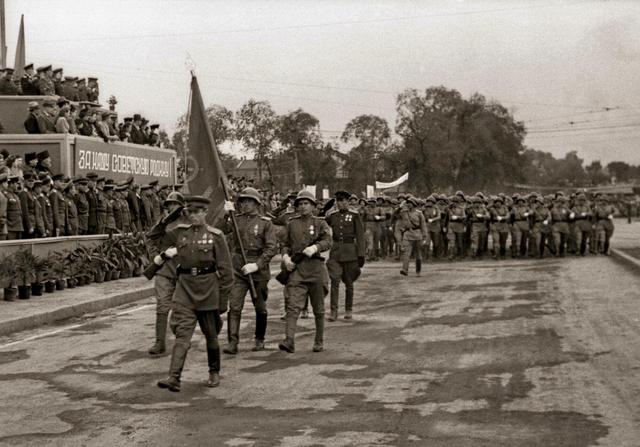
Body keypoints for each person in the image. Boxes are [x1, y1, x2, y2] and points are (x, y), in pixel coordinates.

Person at [148, 195, 234, 391]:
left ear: (205, 212)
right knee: (182, 336)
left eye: (197, 212)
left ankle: (213, 371)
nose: (193, 216)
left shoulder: (215, 236)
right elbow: (154, 235)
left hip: (208, 290)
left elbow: (227, 273)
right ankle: (174, 377)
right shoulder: (179, 232)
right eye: (190, 212)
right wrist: (171, 216)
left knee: (211, 335)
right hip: (185, 290)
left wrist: (223, 300)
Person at [222, 187, 277, 354]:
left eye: (249, 201)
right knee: (235, 306)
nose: (245, 204)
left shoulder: (265, 223)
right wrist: (226, 214)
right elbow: (220, 231)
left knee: (260, 307)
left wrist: (257, 265)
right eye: (243, 202)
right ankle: (233, 342)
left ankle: (260, 338)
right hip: (238, 266)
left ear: (256, 203)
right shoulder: (235, 219)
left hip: (257, 269)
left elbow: (271, 248)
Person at [278, 190, 332, 354]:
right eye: (300, 204)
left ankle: (319, 340)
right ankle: (289, 340)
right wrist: (286, 258)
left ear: (314, 206)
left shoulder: (320, 223)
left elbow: (328, 240)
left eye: (306, 203)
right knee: (293, 306)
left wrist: (316, 247)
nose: (302, 206)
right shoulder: (291, 223)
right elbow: (285, 244)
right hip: (297, 270)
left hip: (316, 269)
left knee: (318, 309)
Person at [147, 192, 186, 356]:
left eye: (174, 204)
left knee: (181, 308)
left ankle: (182, 341)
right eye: (169, 204)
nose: (171, 207)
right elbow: (151, 238)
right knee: (162, 306)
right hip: (164, 269)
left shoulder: (188, 222)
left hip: (183, 270)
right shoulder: (162, 223)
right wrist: (155, 256)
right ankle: (159, 342)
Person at [325, 190, 365, 321]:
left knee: (349, 282)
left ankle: (348, 309)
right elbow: (322, 221)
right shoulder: (333, 215)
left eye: (343, 200)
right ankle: (333, 311)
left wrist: (361, 255)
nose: (340, 203)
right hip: (336, 252)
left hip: (350, 252)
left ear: (348, 201)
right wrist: (327, 208)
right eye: (338, 201)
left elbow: (360, 236)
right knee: (334, 280)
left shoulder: (354, 215)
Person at [398, 196, 427, 276]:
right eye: (407, 203)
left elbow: (423, 225)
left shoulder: (419, 214)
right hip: (407, 235)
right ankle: (405, 270)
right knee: (406, 253)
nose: (408, 205)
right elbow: (395, 214)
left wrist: (424, 237)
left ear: (414, 204)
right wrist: (400, 206)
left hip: (417, 235)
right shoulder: (404, 212)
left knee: (418, 254)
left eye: (410, 203)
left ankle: (418, 271)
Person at [0, 174, 8, 240]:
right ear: (3, 183)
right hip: (1, 230)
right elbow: (2, 214)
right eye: (6, 182)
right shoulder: (2, 197)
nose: (7, 184)